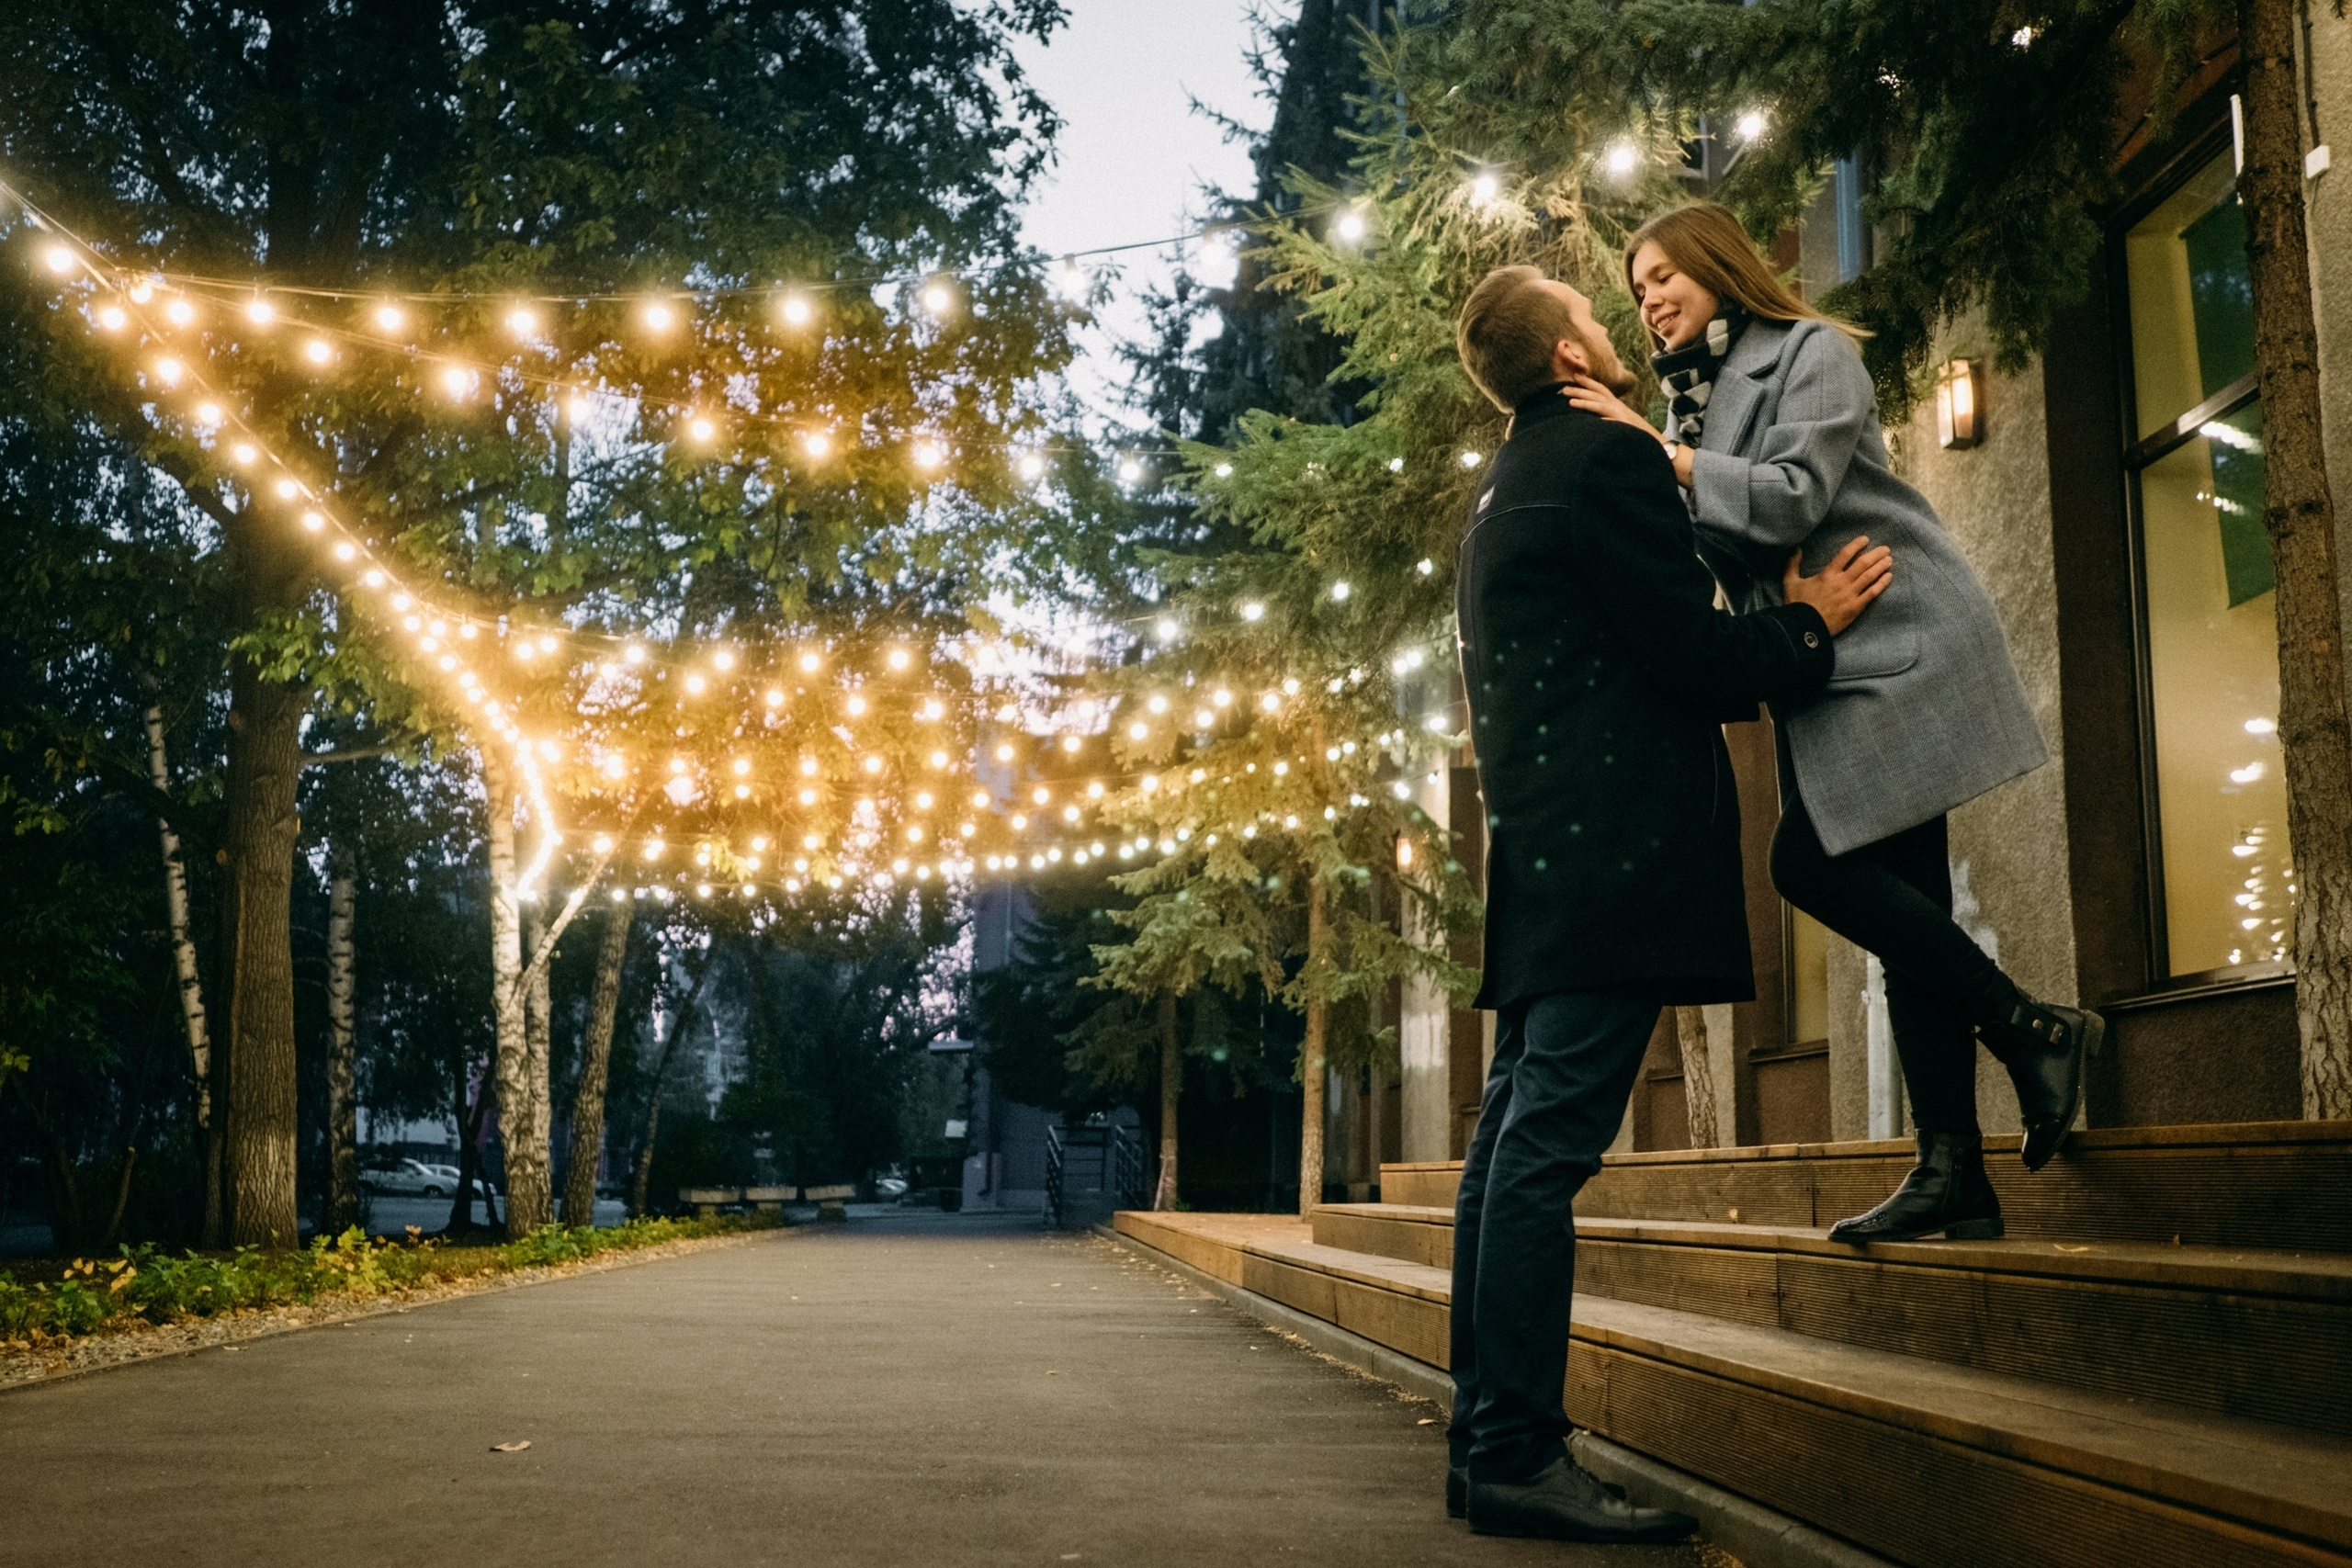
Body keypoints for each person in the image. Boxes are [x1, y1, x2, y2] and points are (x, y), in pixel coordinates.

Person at [1443, 263, 1892, 1542]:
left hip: (1544, 860)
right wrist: (1806, 619)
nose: (1604, 312)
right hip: (1609, 859)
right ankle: (1519, 1449)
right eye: (1584, 304)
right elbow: (1690, 658)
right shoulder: (1602, 459)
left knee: (1505, 1152)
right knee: (1540, 1157)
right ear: (1571, 357)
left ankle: (1489, 1441)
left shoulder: (1508, 483)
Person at [1563, 201, 2104, 1247]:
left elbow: (1790, 501)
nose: (1650, 300)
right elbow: (1715, 551)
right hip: (1831, 663)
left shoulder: (1809, 352)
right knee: (1903, 907)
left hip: (1896, 640)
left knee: (1806, 865)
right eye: (1635, 292)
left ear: (1720, 268)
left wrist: (1662, 460)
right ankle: (1956, 1170)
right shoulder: (1692, 405)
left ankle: (2029, 1027)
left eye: (1664, 275)